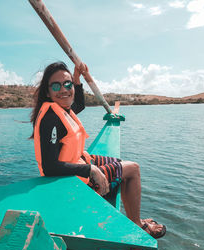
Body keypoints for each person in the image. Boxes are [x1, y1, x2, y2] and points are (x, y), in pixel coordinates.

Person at [30, 61, 166, 239]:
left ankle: (129, 210)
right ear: (48, 92)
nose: (64, 89)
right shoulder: (50, 119)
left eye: (67, 84)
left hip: (78, 162)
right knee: (133, 169)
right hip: (70, 181)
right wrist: (91, 170)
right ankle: (137, 224)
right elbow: (49, 168)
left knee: (117, 163)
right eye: (56, 86)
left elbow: (79, 104)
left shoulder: (61, 108)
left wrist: (78, 78)